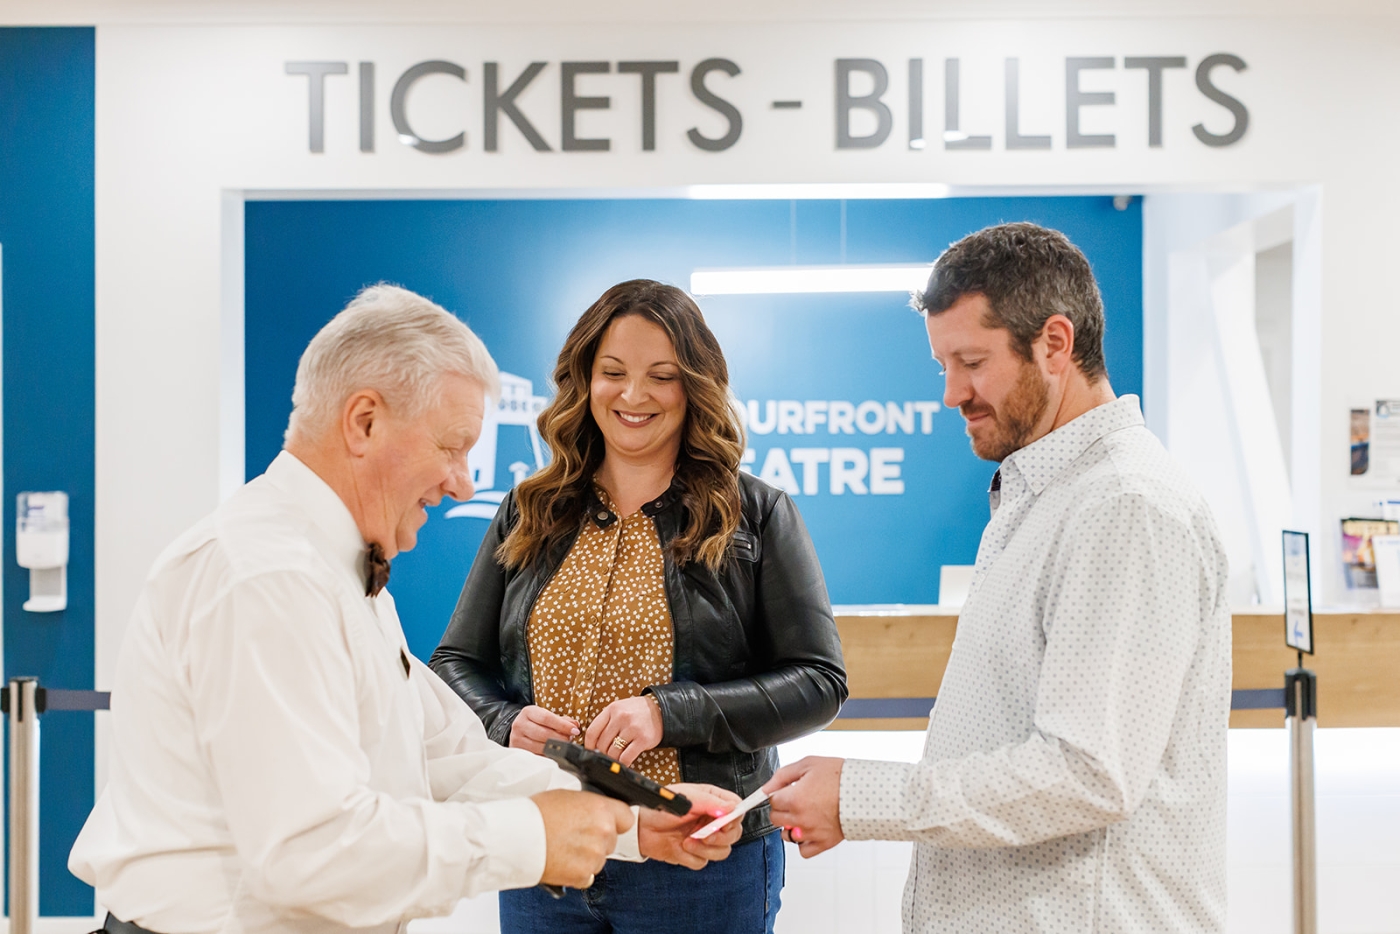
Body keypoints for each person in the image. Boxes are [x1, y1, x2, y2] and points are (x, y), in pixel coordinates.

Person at [68, 285, 742, 934]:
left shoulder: (339, 575)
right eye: (451, 447)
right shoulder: (266, 579)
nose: (463, 482)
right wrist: (532, 837)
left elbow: (447, 757)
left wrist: (630, 819)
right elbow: (312, 852)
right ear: (364, 421)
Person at [766, 223, 1232, 933]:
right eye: (942, 365)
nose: (952, 393)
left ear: (1054, 343)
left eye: (972, 361)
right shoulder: (1043, 494)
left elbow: (1087, 773)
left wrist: (863, 798)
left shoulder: (1123, 508)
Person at [431, 279, 848, 934]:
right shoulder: (529, 511)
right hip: (551, 852)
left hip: (700, 859)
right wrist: (504, 721)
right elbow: (456, 661)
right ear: (583, 381)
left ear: (694, 387)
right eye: (613, 372)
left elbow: (820, 681)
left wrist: (669, 711)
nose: (634, 395)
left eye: (662, 376)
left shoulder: (756, 515)